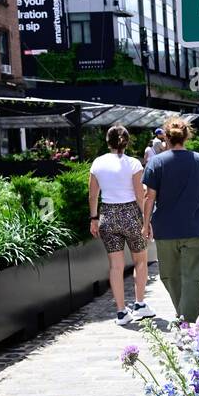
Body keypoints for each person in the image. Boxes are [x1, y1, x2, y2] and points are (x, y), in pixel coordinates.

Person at [142, 118, 199, 324]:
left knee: (170, 275)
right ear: (186, 136)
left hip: (165, 229)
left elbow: (149, 197)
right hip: (195, 228)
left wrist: (145, 224)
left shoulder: (156, 162)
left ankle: (183, 317)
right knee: (196, 276)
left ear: (165, 137)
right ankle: (186, 317)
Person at [89, 124, 154, 327]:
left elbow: (93, 195)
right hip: (130, 214)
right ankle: (140, 304)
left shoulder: (97, 163)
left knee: (115, 266)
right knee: (140, 260)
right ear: (127, 141)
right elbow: (139, 195)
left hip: (108, 214)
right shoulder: (133, 163)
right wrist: (146, 221)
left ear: (107, 141)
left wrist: (93, 218)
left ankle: (120, 312)